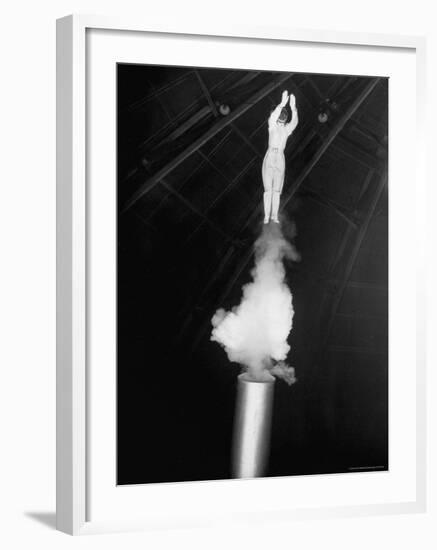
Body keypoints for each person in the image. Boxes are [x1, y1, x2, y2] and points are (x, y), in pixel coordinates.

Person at [262, 90, 298, 223]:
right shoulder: (272, 126)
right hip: (271, 154)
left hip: (280, 157)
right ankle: (267, 215)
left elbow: (294, 123)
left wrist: (293, 108)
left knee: (277, 189)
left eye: (284, 115)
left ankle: (274, 215)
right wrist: (282, 104)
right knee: (268, 188)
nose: (282, 116)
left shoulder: (286, 129)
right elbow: (272, 118)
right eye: (281, 114)